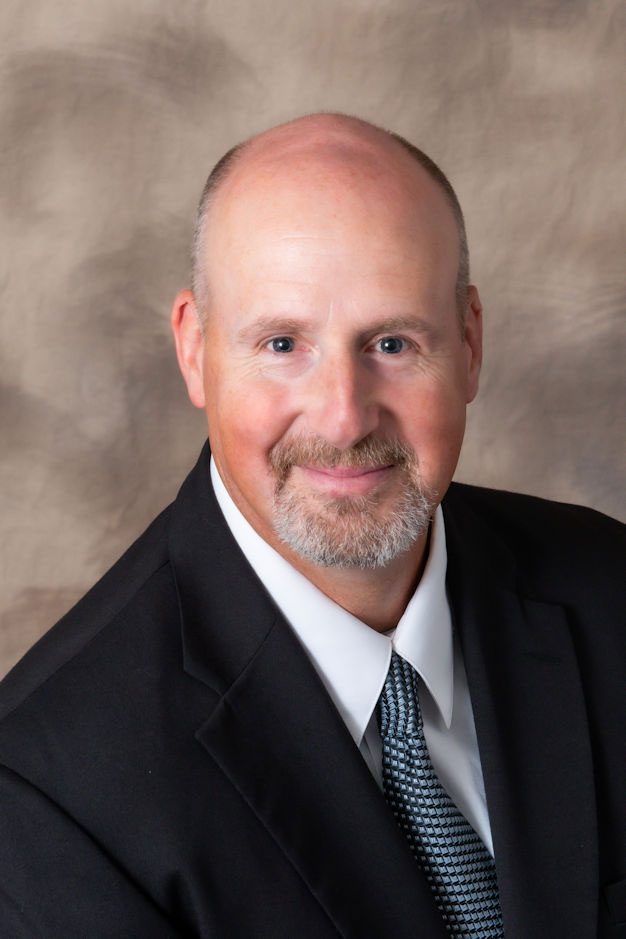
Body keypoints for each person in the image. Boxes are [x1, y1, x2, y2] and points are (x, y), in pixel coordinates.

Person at [0, 113, 623, 938]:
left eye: (394, 342)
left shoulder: (610, 591)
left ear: (470, 344)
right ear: (195, 349)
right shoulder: (49, 790)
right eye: (284, 342)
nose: (342, 414)